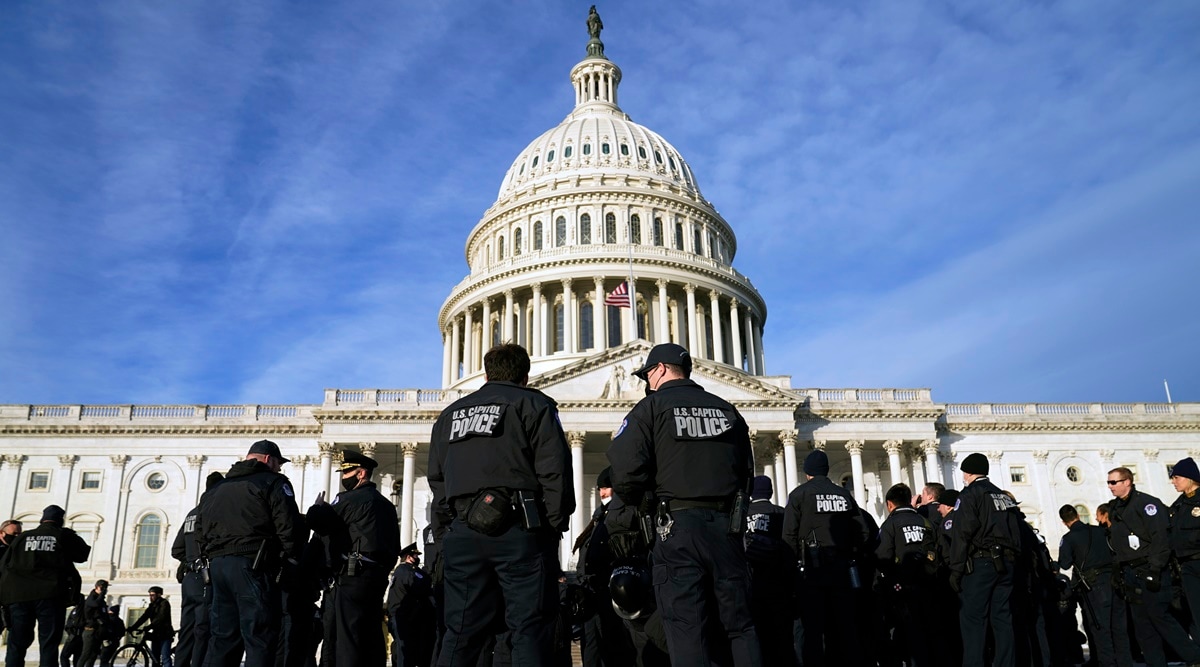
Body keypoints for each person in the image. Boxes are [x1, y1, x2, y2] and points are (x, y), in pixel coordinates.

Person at [607, 342, 762, 667]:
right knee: (740, 628)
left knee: (686, 629)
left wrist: (644, 503)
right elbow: (748, 473)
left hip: (676, 529)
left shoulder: (650, 409)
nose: (646, 382)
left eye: (647, 374)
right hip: (727, 532)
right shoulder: (727, 410)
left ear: (660, 370)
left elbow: (624, 475)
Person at [428, 343, 574, 665]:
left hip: (463, 533)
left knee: (460, 632)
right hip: (520, 531)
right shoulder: (533, 404)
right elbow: (555, 472)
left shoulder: (450, 415)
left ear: (486, 372)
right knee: (528, 629)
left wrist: (446, 534)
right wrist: (552, 527)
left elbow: (437, 482)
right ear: (525, 375)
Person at [196, 439, 306, 667]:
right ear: (269, 459)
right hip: (253, 566)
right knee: (260, 637)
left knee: (223, 639)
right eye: (278, 464)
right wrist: (292, 558)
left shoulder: (216, 488)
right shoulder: (273, 482)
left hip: (217, 568)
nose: (279, 468)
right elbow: (288, 527)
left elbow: (199, 531)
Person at [307, 450, 401, 666]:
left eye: (348, 472)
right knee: (372, 634)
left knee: (347, 636)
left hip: (352, 575)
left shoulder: (348, 499)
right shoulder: (387, 506)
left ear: (361, 474)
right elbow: (394, 546)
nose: (343, 477)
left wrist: (317, 507)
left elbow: (320, 522)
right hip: (377, 577)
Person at [1107, 465, 1200, 667]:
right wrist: (1118, 570)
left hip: (1150, 568)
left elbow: (1160, 538)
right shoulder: (1115, 508)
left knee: (1160, 617)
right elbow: (1118, 542)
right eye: (1108, 483)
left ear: (1127, 482)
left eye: (1114, 482)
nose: (1110, 486)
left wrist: (1156, 568)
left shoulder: (1147, 504)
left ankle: (1194, 657)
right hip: (1131, 572)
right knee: (1143, 626)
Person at [783, 449, 869, 667]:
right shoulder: (843, 494)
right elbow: (863, 532)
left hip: (812, 570)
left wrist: (791, 569)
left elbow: (789, 536)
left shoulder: (799, 494)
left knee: (813, 630)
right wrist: (852, 553)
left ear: (807, 473)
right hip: (842, 569)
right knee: (844, 627)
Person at [946, 453, 1022, 667]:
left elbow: (962, 533)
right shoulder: (1003, 496)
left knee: (973, 621)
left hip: (981, 563)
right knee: (1002, 619)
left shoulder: (970, 494)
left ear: (968, 472)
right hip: (1007, 563)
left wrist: (956, 569)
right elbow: (1016, 533)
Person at [0, 504, 91, 667]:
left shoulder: (22, 537)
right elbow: (82, 555)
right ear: (60, 520)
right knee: (48, 644)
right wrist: (71, 535)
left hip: (19, 597)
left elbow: (4, 566)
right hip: (51, 596)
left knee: (16, 644)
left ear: (42, 519)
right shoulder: (62, 535)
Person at [574, 467, 635, 667]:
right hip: (590, 591)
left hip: (612, 590)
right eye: (600, 488)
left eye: (607, 488)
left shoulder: (619, 513)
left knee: (614, 645)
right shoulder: (598, 516)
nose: (602, 493)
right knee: (592, 647)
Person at [875, 483, 936, 667]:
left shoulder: (890, 524)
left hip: (902, 588)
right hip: (928, 585)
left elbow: (882, 557)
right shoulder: (926, 522)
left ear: (889, 504)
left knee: (907, 634)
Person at [171, 471, 222, 667]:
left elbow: (176, 549)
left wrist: (190, 560)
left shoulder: (191, 513)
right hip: (206, 577)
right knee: (203, 629)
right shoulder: (212, 511)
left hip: (189, 580)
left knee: (186, 631)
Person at [744, 475, 795, 667]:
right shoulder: (780, 513)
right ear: (770, 492)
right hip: (778, 583)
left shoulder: (743, 514)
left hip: (751, 584)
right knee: (782, 636)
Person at [1057, 504, 1117, 667]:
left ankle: (1106, 661)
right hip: (1111, 580)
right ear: (1077, 514)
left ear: (1064, 522)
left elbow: (1065, 564)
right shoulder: (1099, 531)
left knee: (1097, 625)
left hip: (1090, 586)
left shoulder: (1069, 538)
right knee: (1116, 623)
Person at [387, 543, 435, 667]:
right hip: (403, 617)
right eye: (415, 555)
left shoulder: (405, 570)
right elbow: (419, 586)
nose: (417, 558)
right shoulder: (406, 570)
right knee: (405, 651)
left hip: (406, 617)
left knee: (407, 650)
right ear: (409, 557)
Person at [1169, 457, 1200, 639]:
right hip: (1186, 566)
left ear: (1189, 478)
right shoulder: (1177, 506)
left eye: (1177, 478)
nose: (1173, 482)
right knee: (1196, 612)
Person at [128, 586, 174, 667]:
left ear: (159, 595)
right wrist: (133, 627)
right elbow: (144, 617)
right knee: (154, 659)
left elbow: (160, 618)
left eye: (153, 595)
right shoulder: (152, 606)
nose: (151, 597)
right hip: (156, 634)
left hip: (165, 634)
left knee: (165, 657)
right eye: (150, 595)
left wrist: (149, 627)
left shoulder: (164, 603)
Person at [77, 580, 109, 667]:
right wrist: (101, 594)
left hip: (98, 632)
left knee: (93, 655)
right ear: (98, 587)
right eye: (103, 588)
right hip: (90, 631)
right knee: (86, 654)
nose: (105, 590)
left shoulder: (102, 601)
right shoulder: (91, 598)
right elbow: (95, 604)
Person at [60, 594, 86, 667]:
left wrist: (70, 629)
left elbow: (74, 623)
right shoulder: (79, 610)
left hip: (74, 636)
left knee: (64, 656)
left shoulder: (79, 610)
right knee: (77, 658)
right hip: (78, 636)